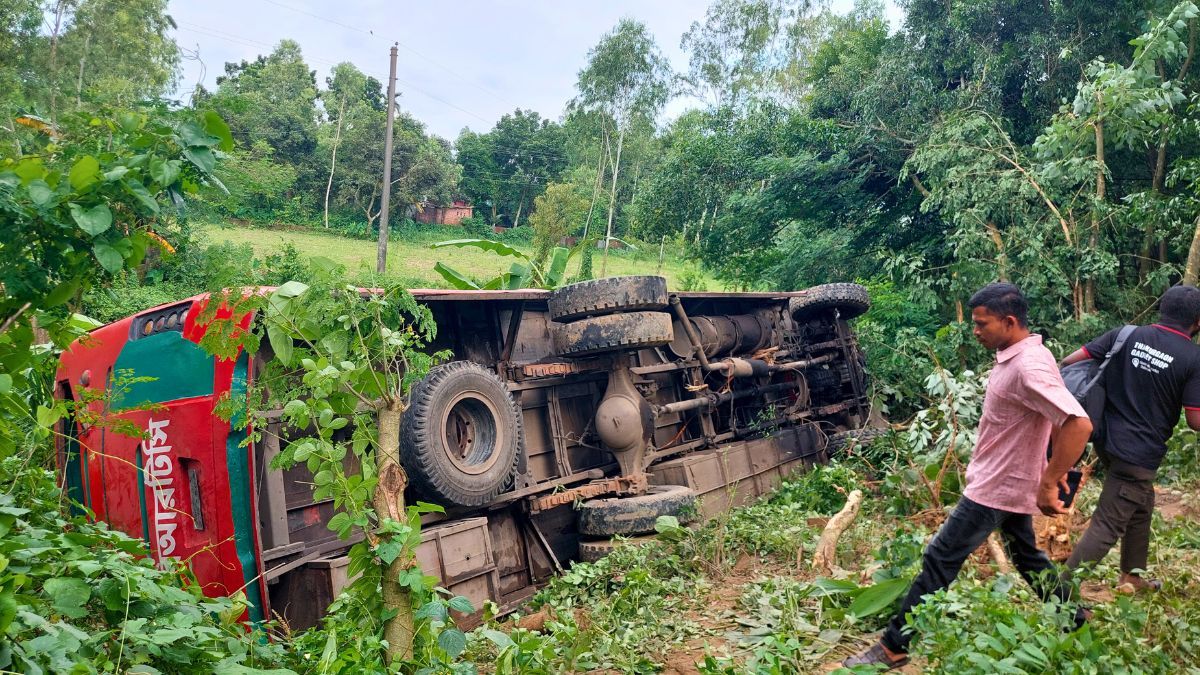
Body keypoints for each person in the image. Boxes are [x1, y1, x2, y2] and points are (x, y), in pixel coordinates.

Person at [843, 283, 1093, 670]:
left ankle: (894, 645)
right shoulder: (1024, 355)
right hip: (1006, 481)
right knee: (1027, 557)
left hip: (996, 487)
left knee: (940, 557)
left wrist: (1050, 478)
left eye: (982, 324)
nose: (975, 331)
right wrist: (1046, 469)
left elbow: (1077, 422)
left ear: (1009, 322)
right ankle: (1077, 622)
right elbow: (1057, 415)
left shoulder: (1029, 365)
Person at [1061, 285, 1200, 591]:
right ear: (1197, 321)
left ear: (1160, 309)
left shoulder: (1125, 335)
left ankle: (1131, 577)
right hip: (1138, 454)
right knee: (1108, 523)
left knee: (1142, 503)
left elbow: (1071, 362)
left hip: (1106, 441)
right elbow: (1195, 420)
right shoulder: (1193, 358)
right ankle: (1059, 592)